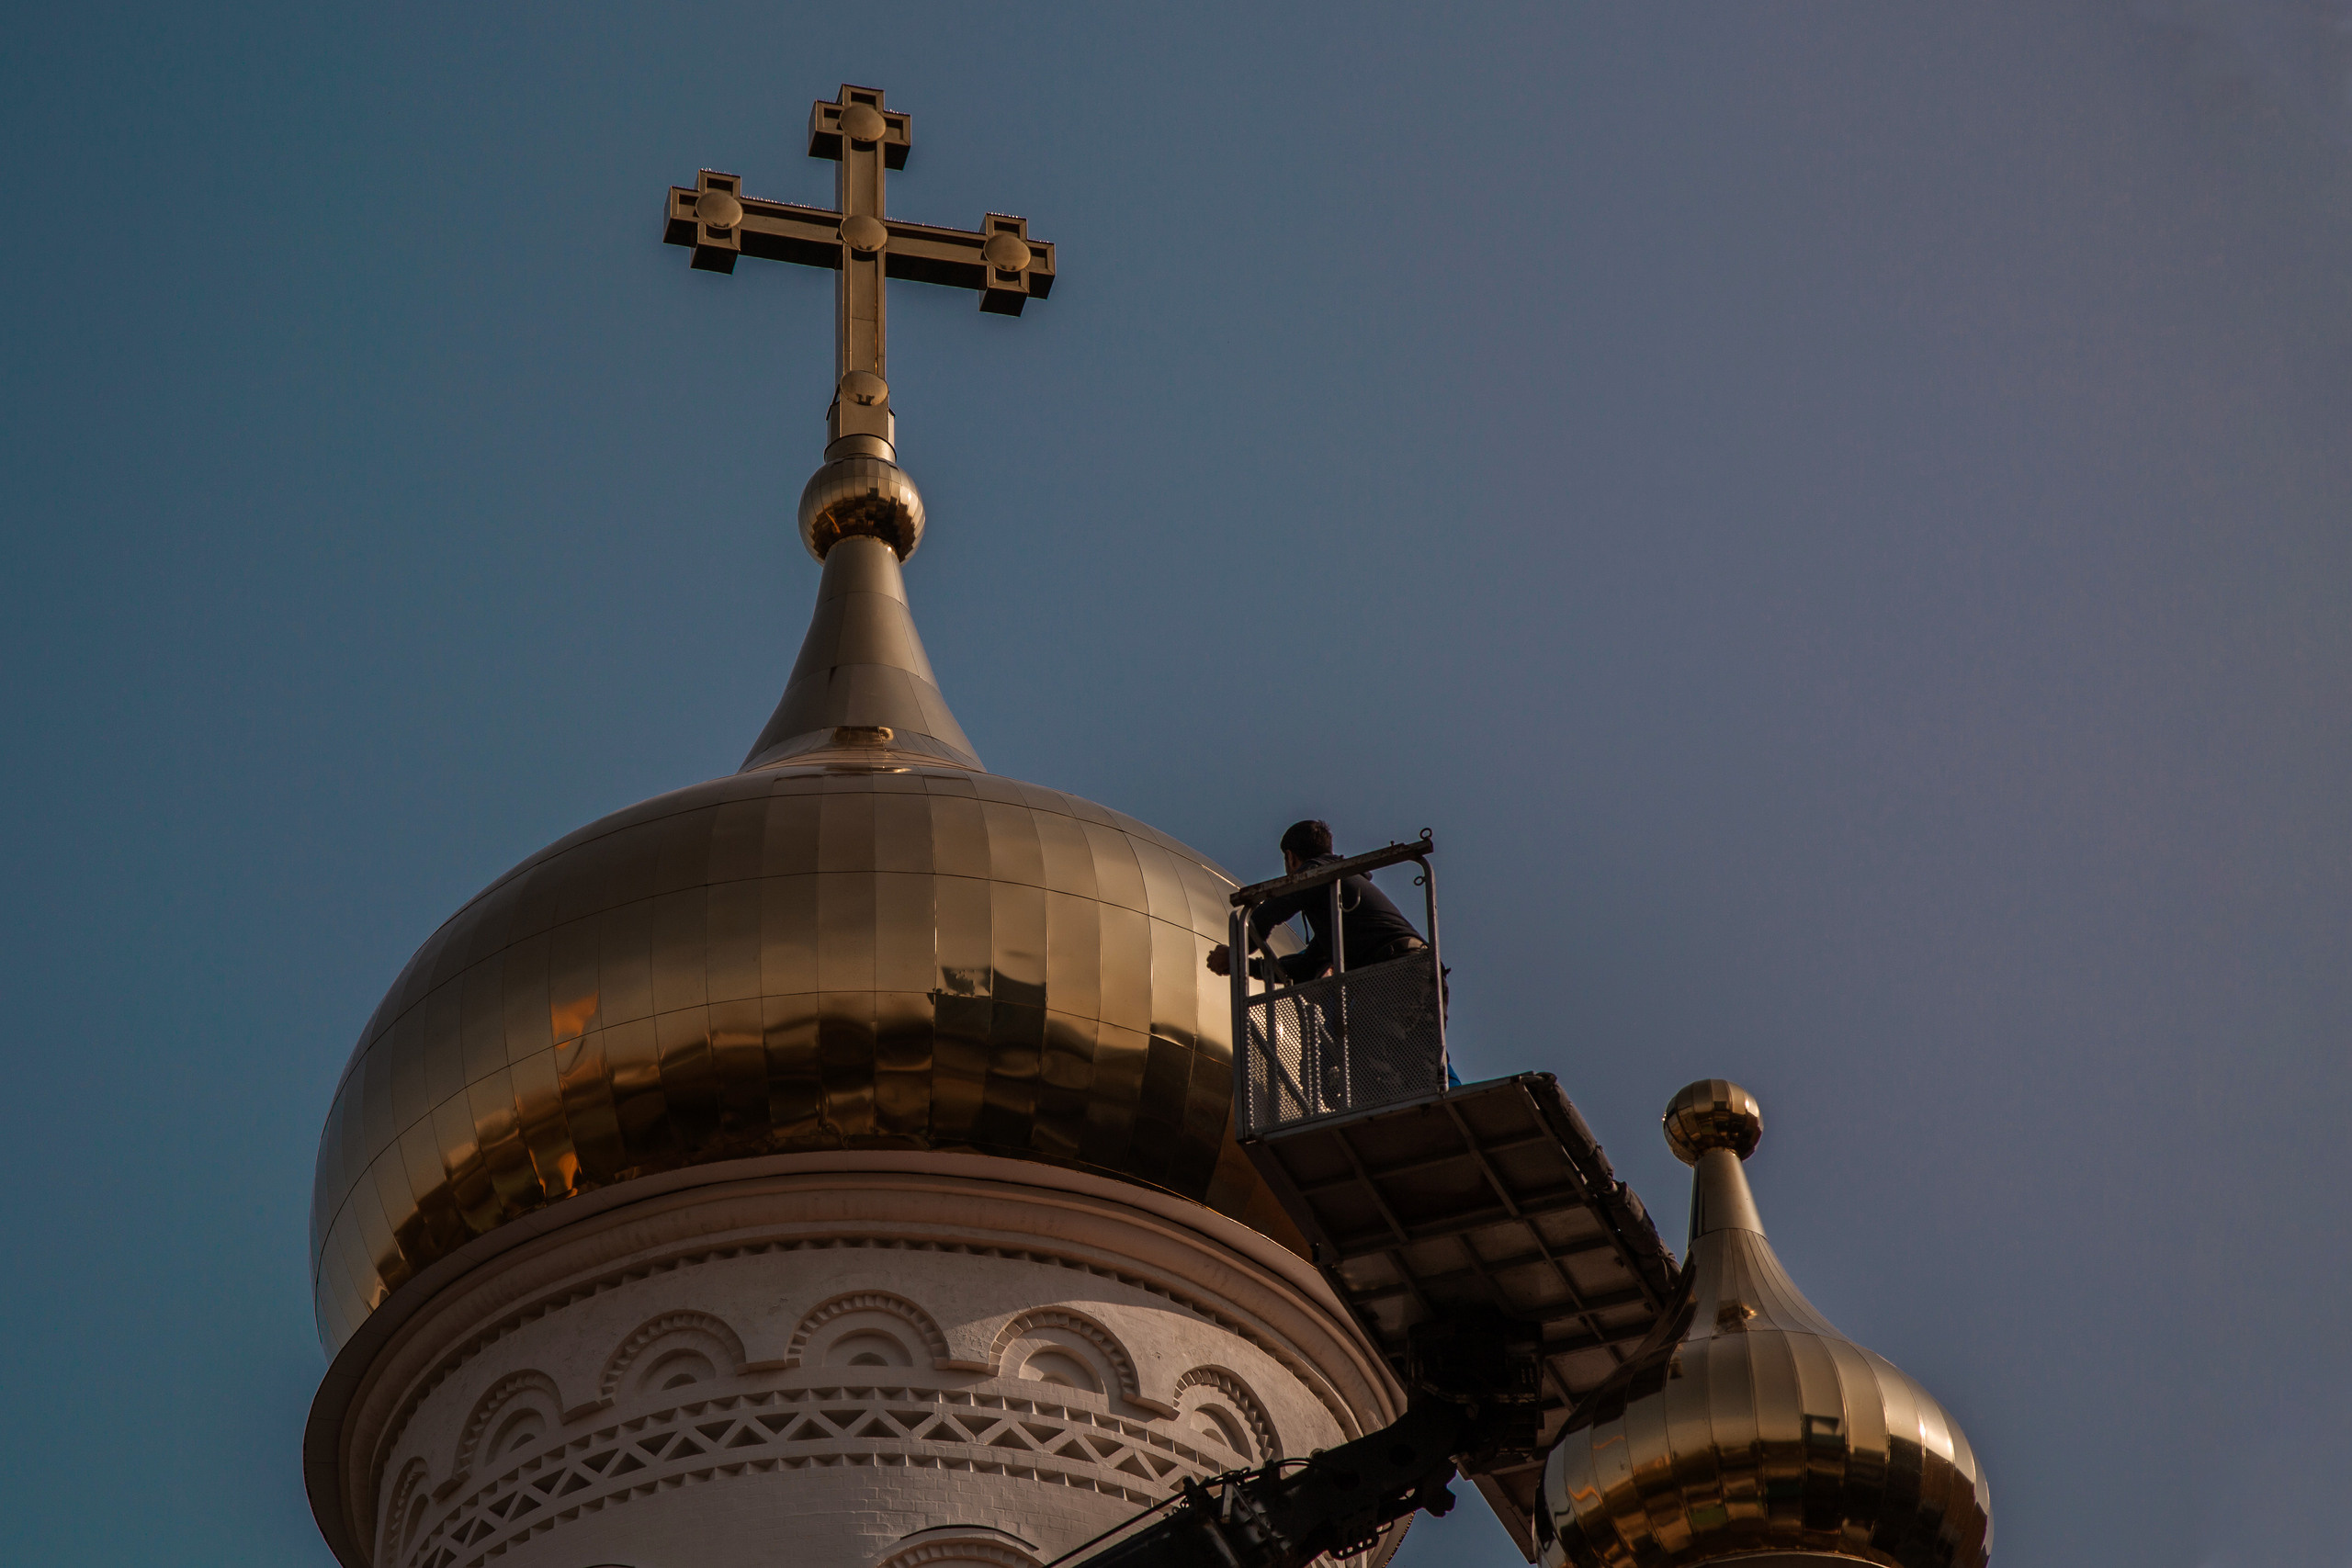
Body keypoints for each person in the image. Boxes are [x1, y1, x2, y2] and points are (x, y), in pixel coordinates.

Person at [1205, 819, 1429, 985]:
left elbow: (1265, 917)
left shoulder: (1317, 874)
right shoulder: (1340, 905)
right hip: (1422, 974)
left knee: (1371, 1042)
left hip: (1396, 972)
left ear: (1291, 858)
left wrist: (1233, 954)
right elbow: (1307, 967)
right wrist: (1244, 966)